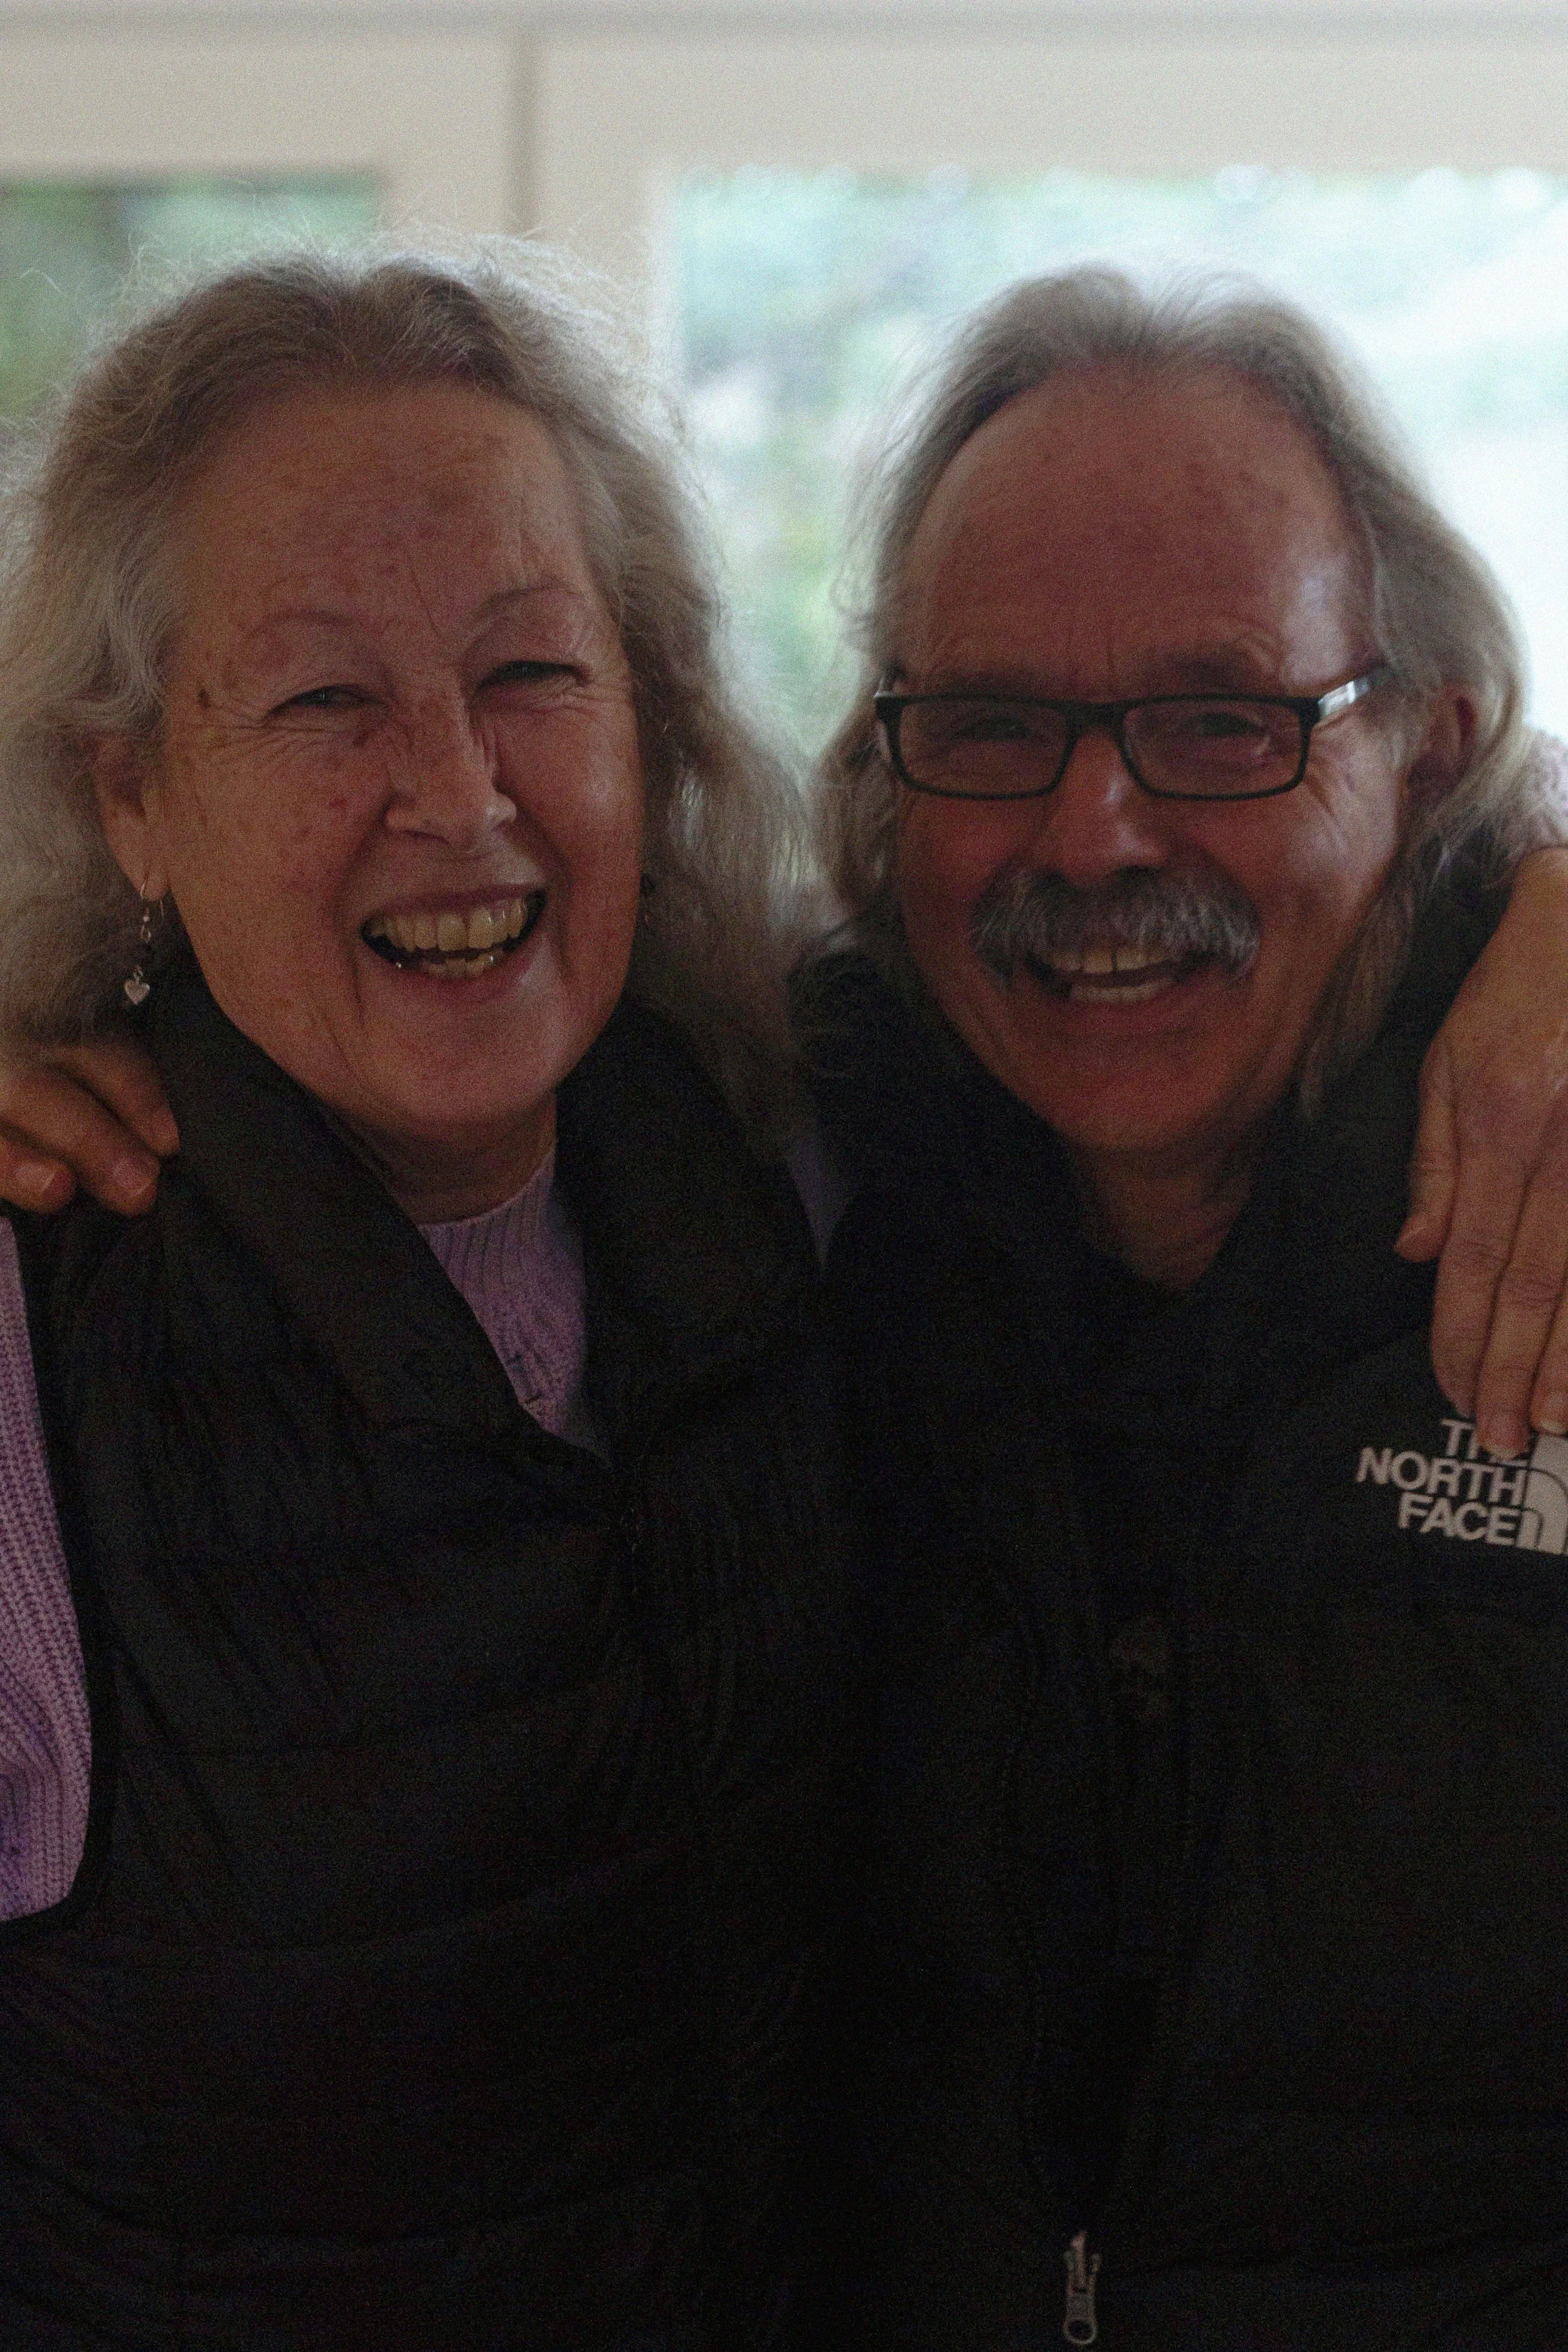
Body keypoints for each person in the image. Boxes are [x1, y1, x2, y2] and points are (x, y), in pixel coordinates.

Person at [0, 246, 854, 2348]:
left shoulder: (804, 1167)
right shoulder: (37, 1337)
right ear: (133, 795)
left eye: (531, 673)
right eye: (320, 697)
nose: (456, 792)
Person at [802, 266, 1568, 2345]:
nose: (1092, 826)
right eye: (988, 726)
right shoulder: (778, 1210)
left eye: (1220, 716)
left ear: (1424, 747)